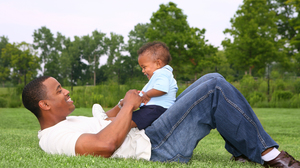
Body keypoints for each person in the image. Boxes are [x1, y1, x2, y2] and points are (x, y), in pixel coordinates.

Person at [22, 49, 300, 168]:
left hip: (149, 134)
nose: (66, 90)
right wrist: (131, 106)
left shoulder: (69, 123)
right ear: (44, 104)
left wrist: (122, 104)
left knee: (208, 82)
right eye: (59, 90)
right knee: (214, 85)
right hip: (154, 148)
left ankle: (242, 152)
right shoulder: (52, 137)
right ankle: (271, 156)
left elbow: (105, 121)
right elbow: (104, 145)